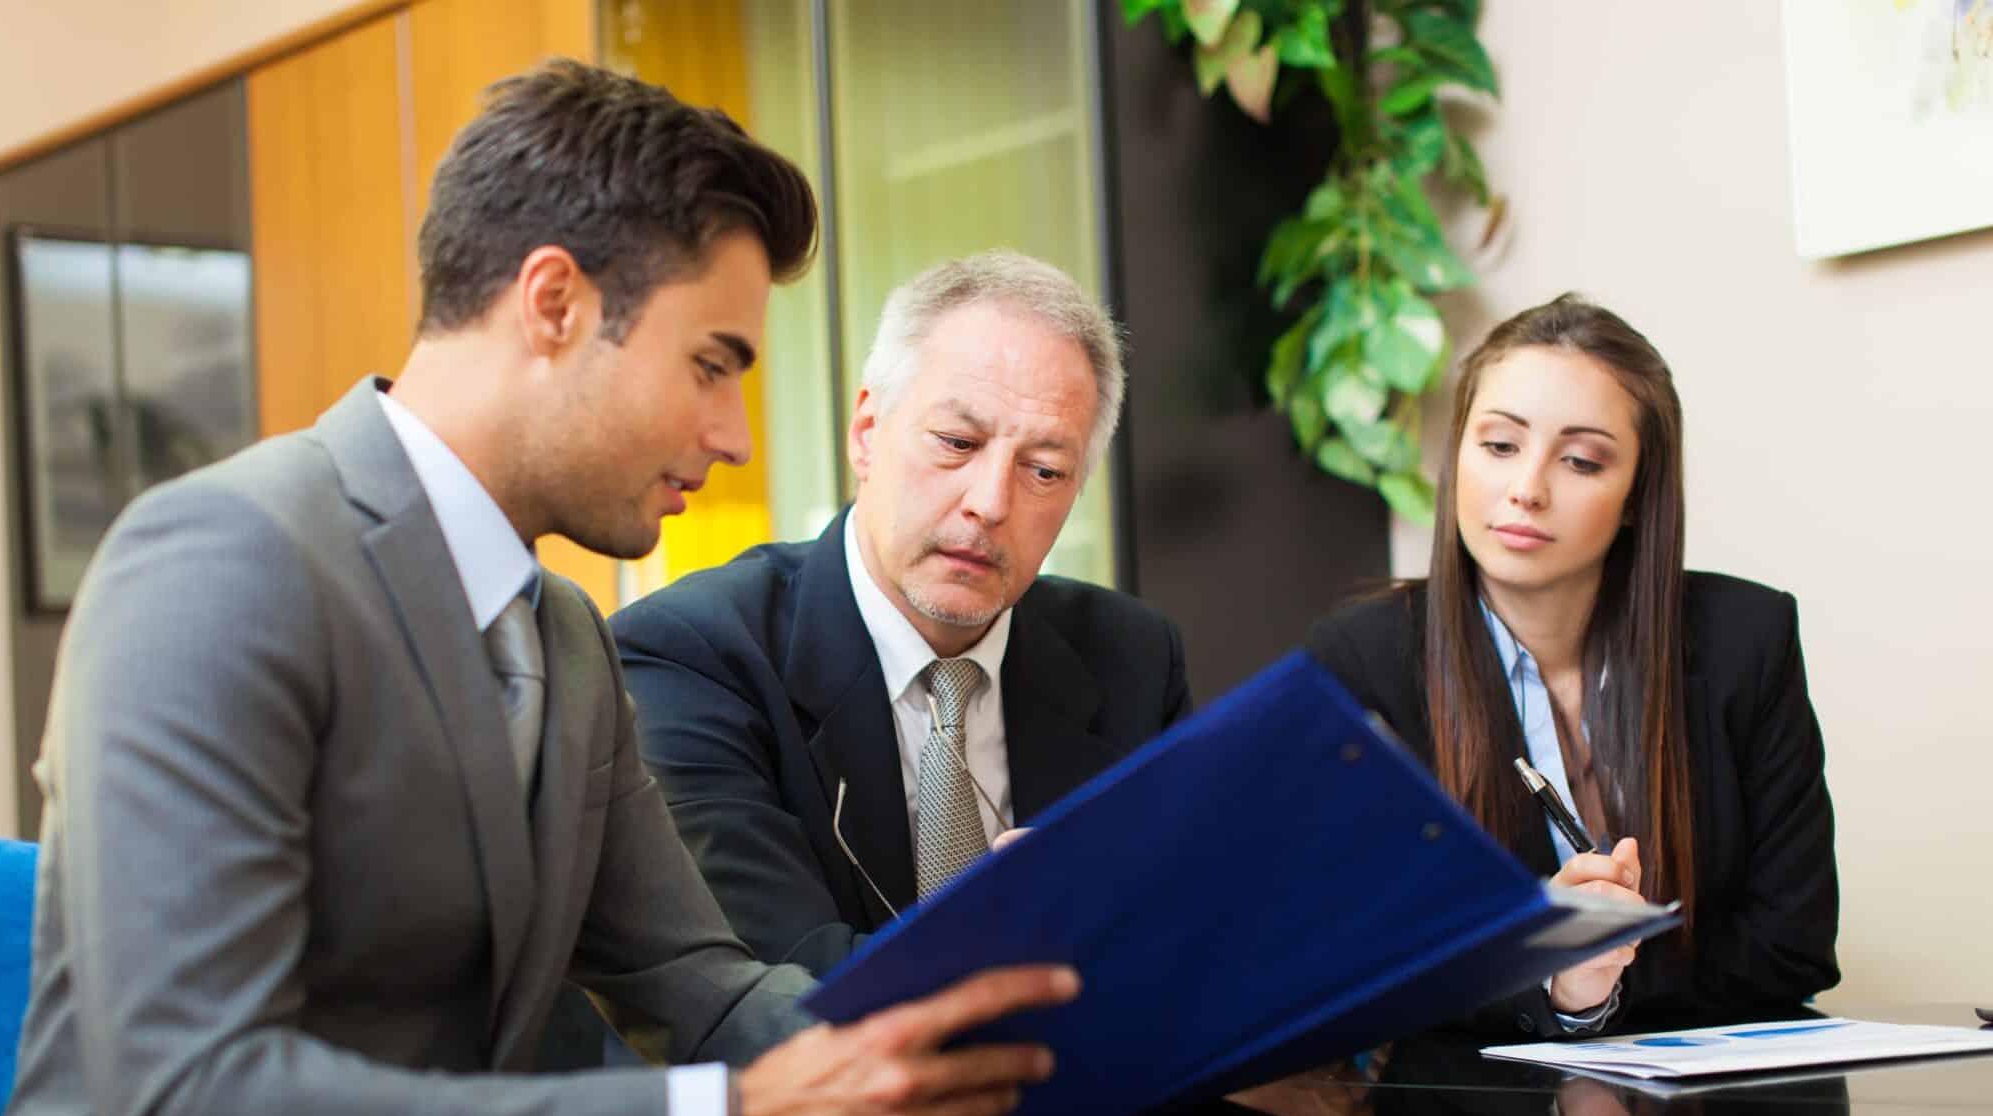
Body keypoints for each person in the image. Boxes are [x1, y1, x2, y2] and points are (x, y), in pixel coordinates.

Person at [0, 61, 1080, 1116]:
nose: (733, 435)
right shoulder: (220, 561)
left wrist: (1031, 1026)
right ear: (554, 302)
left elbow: (703, 991)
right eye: (713, 365)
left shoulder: (561, 640)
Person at [610, 251, 1190, 975]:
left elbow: (1183, 943)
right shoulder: (693, 655)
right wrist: (1006, 935)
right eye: (956, 443)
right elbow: (777, 986)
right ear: (867, 431)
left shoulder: (1132, 656)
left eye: (1044, 470)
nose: (990, 502)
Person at [1306, 293, 1838, 1037]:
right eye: (1498, 446)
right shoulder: (1359, 663)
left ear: (1634, 498)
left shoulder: (1746, 638)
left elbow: (1793, 949)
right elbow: (1361, 964)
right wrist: (1555, 977)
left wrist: (1594, 973)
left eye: (1581, 460)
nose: (1527, 488)